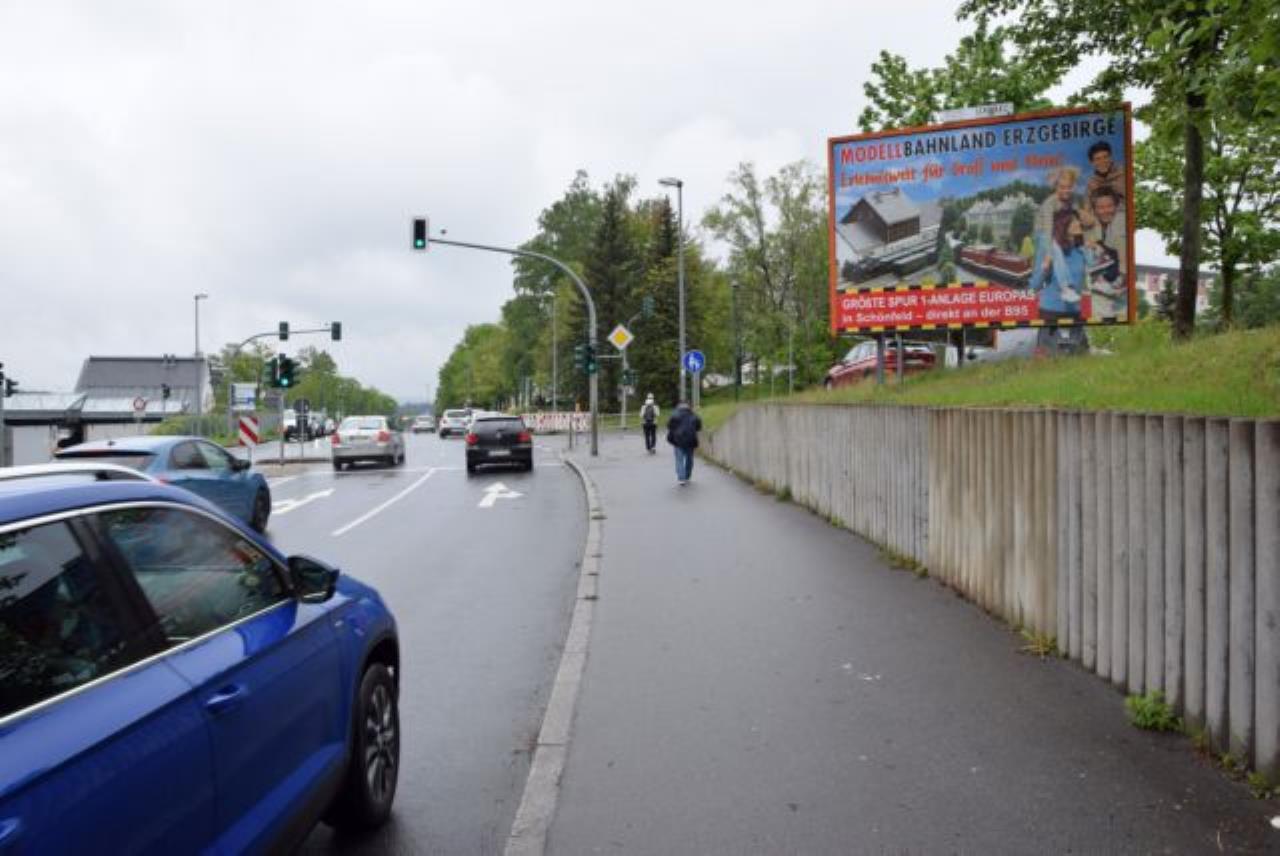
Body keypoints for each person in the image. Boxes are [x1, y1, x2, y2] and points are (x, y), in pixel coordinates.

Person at [1084, 186, 1129, 319]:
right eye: (1101, 207)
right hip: (1106, 284)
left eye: (1110, 206)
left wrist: (1122, 276)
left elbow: (1122, 250)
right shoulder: (1097, 226)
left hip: (1118, 281)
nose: (1106, 211)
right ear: (1095, 209)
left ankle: (1116, 280)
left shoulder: (1119, 221)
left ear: (1116, 206)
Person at [666, 401, 702, 486]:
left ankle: (681, 478)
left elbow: (669, 426)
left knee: (679, 459)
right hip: (690, 440)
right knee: (689, 459)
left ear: (679, 407)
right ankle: (687, 476)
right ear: (688, 407)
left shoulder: (674, 415)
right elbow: (699, 427)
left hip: (678, 440)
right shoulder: (694, 415)